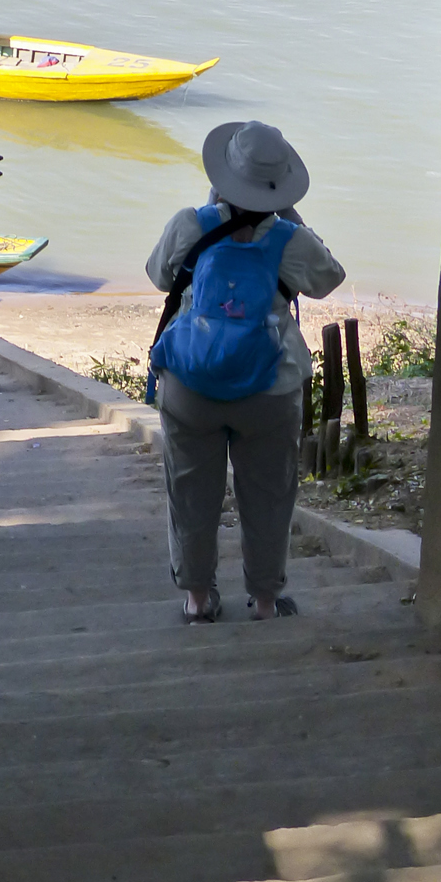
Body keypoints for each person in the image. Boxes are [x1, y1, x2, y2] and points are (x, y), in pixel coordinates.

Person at [146, 121, 344, 623]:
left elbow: (159, 275)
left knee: (190, 492)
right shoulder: (291, 239)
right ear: (280, 186)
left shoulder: (190, 223)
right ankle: (264, 599)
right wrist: (292, 220)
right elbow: (329, 278)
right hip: (270, 387)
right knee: (269, 492)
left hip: (191, 381)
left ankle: (196, 599)